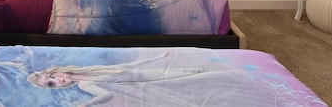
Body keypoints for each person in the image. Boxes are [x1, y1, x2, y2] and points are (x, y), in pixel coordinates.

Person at [27, 52, 208, 107]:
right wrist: (86, 105)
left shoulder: (86, 71)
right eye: (51, 84)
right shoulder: (85, 84)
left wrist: (157, 58)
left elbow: (128, 68)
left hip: (145, 75)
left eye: (51, 77)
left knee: (196, 72)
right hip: (145, 84)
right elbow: (105, 96)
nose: (56, 80)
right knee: (190, 80)